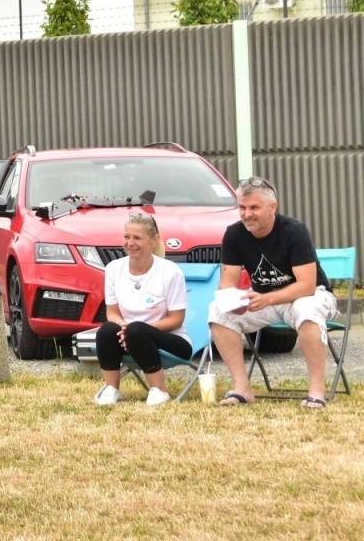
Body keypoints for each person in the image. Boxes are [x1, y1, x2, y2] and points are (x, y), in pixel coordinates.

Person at [208, 176, 339, 410]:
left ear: (273, 207)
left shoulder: (294, 231)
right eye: (242, 207)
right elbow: (227, 282)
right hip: (263, 300)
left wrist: (267, 298)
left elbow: (306, 285)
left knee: (306, 309)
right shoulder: (234, 234)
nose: (247, 214)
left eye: (254, 207)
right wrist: (232, 302)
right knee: (218, 311)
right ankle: (242, 388)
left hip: (309, 295)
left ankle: (316, 390)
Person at [91, 214, 190, 406]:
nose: (130, 243)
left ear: (154, 241)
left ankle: (159, 390)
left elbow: (176, 319)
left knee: (137, 330)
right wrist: (122, 327)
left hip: (171, 338)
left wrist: (141, 328)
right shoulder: (113, 269)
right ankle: (111, 389)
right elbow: (112, 312)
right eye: (127, 237)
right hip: (127, 334)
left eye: (137, 238)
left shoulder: (170, 271)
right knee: (106, 330)